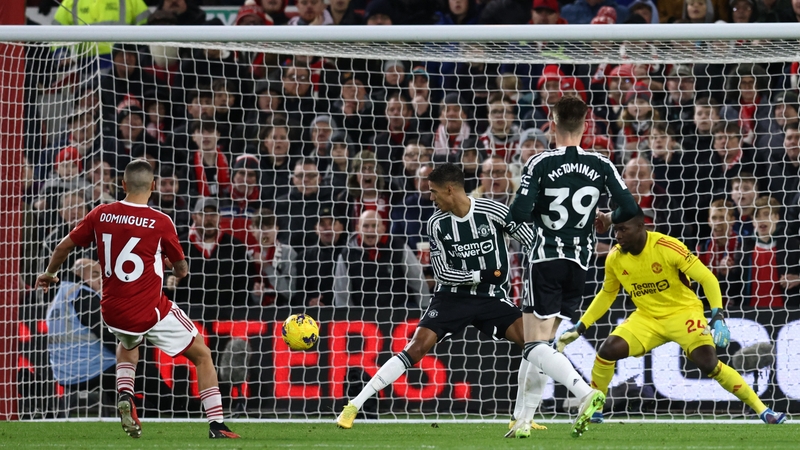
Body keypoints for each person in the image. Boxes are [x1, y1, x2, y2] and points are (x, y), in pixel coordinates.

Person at [36, 159, 239, 439]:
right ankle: (217, 425)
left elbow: (64, 246)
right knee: (203, 354)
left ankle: (126, 393)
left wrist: (49, 273)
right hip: (149, 310)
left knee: (128, 341)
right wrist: (166, 263)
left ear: (123, 185)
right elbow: (182, 270)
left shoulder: (101, 214)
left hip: (111, 310)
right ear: (153, 186)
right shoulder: (160, 221)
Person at [336, 163, 542, 433]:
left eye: (433, 192)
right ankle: (354, 406)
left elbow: (530, 240)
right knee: (416, 347)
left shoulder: (494, 211)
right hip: (452, 298)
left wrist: (543, 267)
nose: (430, 197)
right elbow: (442, 272)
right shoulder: (436, 223)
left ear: (449, 189)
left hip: (491, 298)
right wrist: (481, 274)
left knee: (534, 345)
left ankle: (521, 418)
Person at [557, 209, 787, 424]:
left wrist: (717, 315)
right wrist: (581, 325)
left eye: (623, 229)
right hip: (646, 318)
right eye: (615, 230)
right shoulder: (614, 257)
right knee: (607, 351)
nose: (617, 235)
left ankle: (763, 410)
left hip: (683, 313)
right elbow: (607, 293)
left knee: (709, 364)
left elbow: (707, 278)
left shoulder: (667, 247)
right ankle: (596, 408)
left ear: (641, 227)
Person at [508, 96, 639, 438]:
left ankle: (585, 393)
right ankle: (522, 420)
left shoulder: (539, 163)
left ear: (551, 122)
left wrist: (540, 216)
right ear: (586, 124)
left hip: (546, 258)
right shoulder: (601, 164)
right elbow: (630, 208)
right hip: (580, 263)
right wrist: (607, 219)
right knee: (540, 346)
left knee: (534, 346)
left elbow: (517, 216)